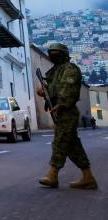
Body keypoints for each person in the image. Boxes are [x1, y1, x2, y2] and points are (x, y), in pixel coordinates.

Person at [37, 43, 97, 189]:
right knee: (72, 146)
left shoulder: (70, 69)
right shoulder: (55, 72)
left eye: (56, 53)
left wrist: (62, 103)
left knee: (60, 142)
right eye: (51, 53)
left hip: (67, 112)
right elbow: (54, 91)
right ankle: (88, 177)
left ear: (64, 55)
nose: (53, 56)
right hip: (59, 111)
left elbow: (69, 89)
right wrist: (44, 92)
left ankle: (53, 175)